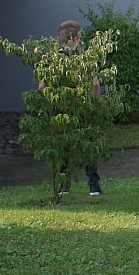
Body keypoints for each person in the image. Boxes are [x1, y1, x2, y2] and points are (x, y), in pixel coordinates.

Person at [51, 20, 103, 196]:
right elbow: (95, 84)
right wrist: (94, 103)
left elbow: (43, 85)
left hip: (62, 108)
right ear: (76, 37)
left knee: (65, 147)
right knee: (88, 145)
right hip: (83, 107)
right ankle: (93, 185)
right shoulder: (85, 58)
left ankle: (64, 186)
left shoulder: (55, 58)